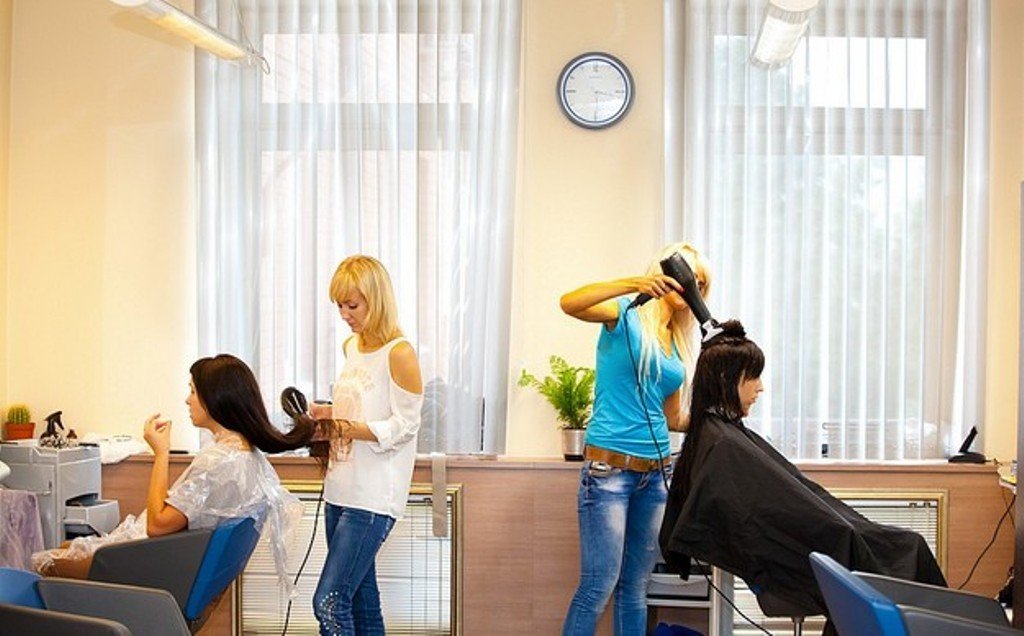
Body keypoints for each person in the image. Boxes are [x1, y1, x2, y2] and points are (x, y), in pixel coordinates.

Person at [659, 321, 946, 619]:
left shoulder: (718, 435)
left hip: (831, 540)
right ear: (725, 378)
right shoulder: (723, 443)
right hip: (821, 550)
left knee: (905, 546)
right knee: (908, 551)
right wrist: (845, 532)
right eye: (753, 376)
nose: (761, 387)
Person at [33, 354, 308, 594]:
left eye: (193, 391)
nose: (187, 400)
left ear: (215, 398)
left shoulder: (219, 462)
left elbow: (157, 525)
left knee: (39, 563)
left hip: (151, 566)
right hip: (172, 563)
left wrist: (161, 454)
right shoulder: (246, 456)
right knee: (66, 546)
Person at [558, 242, 712, 636]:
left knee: (635, 589)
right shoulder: (624, 314)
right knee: (598, 586)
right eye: (688, 276)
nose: (692, 287)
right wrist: (634, 284)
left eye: (700, 283)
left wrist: (718, 413)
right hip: (609, 472)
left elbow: (674, 418)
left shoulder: (675, 343)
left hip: (657, 476)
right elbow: (569, 303)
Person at [306, 255, 424, 636]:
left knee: (328, 601)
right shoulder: (352, 347)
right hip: (339, 490)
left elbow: (406, 424)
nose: (344, 314)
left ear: (376, 299)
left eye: (352, 305)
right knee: (362, 601)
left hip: (372, 498)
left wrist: (345, 427)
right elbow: (360, 408)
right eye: (339, 305)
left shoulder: (400, 353)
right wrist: (328, 415)